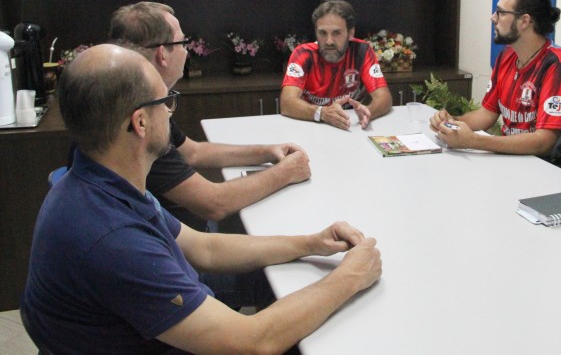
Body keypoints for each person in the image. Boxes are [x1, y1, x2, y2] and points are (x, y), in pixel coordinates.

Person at [22, 44, 381, 354]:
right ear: (140, 123)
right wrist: (349, 277)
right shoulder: (112, 238)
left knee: (283, 283)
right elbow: (252, 341)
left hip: (136, 331)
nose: (170, 110)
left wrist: (311, 242)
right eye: (166, 101)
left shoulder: (102, 177)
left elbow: (204, 248)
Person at [109, 2, 311, 233]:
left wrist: (267, 152)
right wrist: (287, 172)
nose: (187, 51)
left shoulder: (129, 94)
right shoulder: (139, 119)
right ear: (162, 55)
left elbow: (192, 152)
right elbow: (213, 203)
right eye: (183, 43)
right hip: (170, 242)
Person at [429, 0, 561, 175]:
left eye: (501, 12)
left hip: (556, 174)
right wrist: (451, 124)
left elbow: (543, 142)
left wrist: (474, 141)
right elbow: (486, 114)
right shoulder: (507, 56)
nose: (493, 18)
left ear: (524, 21)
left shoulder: (558, 66)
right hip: (514, 164)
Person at [280, 0, 392, 130]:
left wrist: (368, 111)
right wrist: (322, 113)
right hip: (311, 125)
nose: (329, 41)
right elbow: (286, 102)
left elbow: (384, 97)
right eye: (322, 33)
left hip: (350, 126)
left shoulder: (362, 51)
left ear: (350, 33)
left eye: (336, 33)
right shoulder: (303, 54)